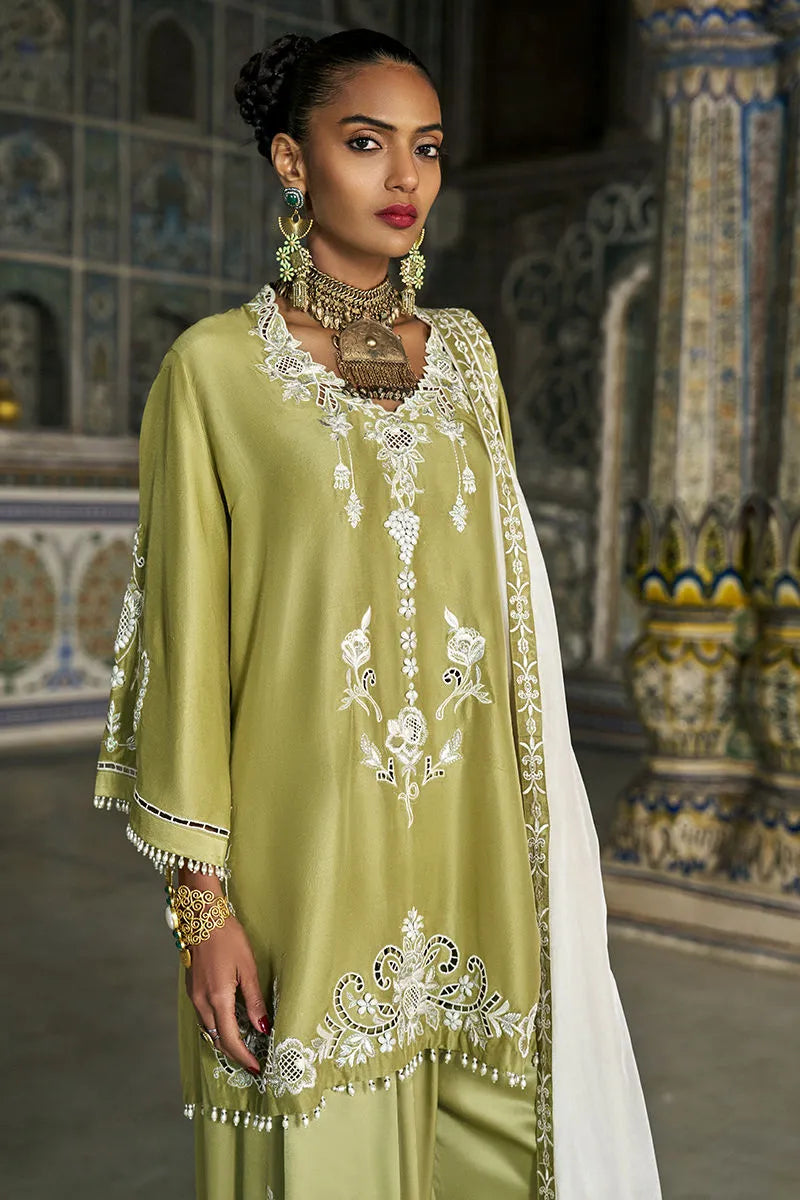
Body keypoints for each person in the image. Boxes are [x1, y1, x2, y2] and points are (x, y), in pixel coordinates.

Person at [93, 27, 662, 1200]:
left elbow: (507, 616)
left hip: (476, 861)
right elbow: (184, 648)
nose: (405, 178)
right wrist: (202, 912)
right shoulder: (213, 371)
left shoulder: (465, 361)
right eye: (366, 144)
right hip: (303, 862)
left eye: (428, 148)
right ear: (291, 162)